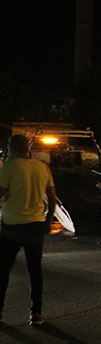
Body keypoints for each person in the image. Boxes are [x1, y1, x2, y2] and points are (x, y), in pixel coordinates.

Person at [0, 134, 56, 325]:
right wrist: (47, 221)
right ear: (28, 148)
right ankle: (36, 313)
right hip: (36, 226)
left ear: (11, 147)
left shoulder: (9, 167)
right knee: (34, 270)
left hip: (12, 227)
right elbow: (52, 199)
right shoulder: (42, 167)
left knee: (3, 270)